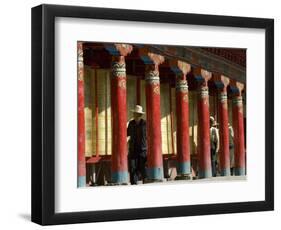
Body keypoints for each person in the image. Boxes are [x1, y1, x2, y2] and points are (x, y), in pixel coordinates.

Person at [127, 105, 147, 185]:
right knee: (132, 168)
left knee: (143, 168)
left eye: (137, 114)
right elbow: (127, 134)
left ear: (140, 115)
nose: (135, 115)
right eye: (135, 114)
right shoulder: (131, 124)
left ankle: (145, 183)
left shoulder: (144, 124)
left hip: (143, 149)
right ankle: (133, 184)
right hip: (133, 149)